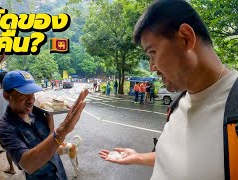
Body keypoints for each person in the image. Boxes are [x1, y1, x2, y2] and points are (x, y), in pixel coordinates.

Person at [99, 1, 238, 179]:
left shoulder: (233, 111)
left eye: (152, 52)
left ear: (185, 38)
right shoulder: (177, 104)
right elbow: (185, 161)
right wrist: (139, 157)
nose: (151, 67)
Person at [0, 70, 88, 179]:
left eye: (32, 94)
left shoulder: (39, 112)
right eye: (23, 95)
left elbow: (50, 138)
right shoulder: (5, 128)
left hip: (60, 175)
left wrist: (51, 121)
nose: (31, 100)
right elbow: (27, 164)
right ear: (7, 96)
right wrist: (61, 132)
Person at [0, 71, 16, 174]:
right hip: (17, 124)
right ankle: (25, 167)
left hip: (3, 127)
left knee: (8, 149)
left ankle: (12, 168)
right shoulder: (15, 93)